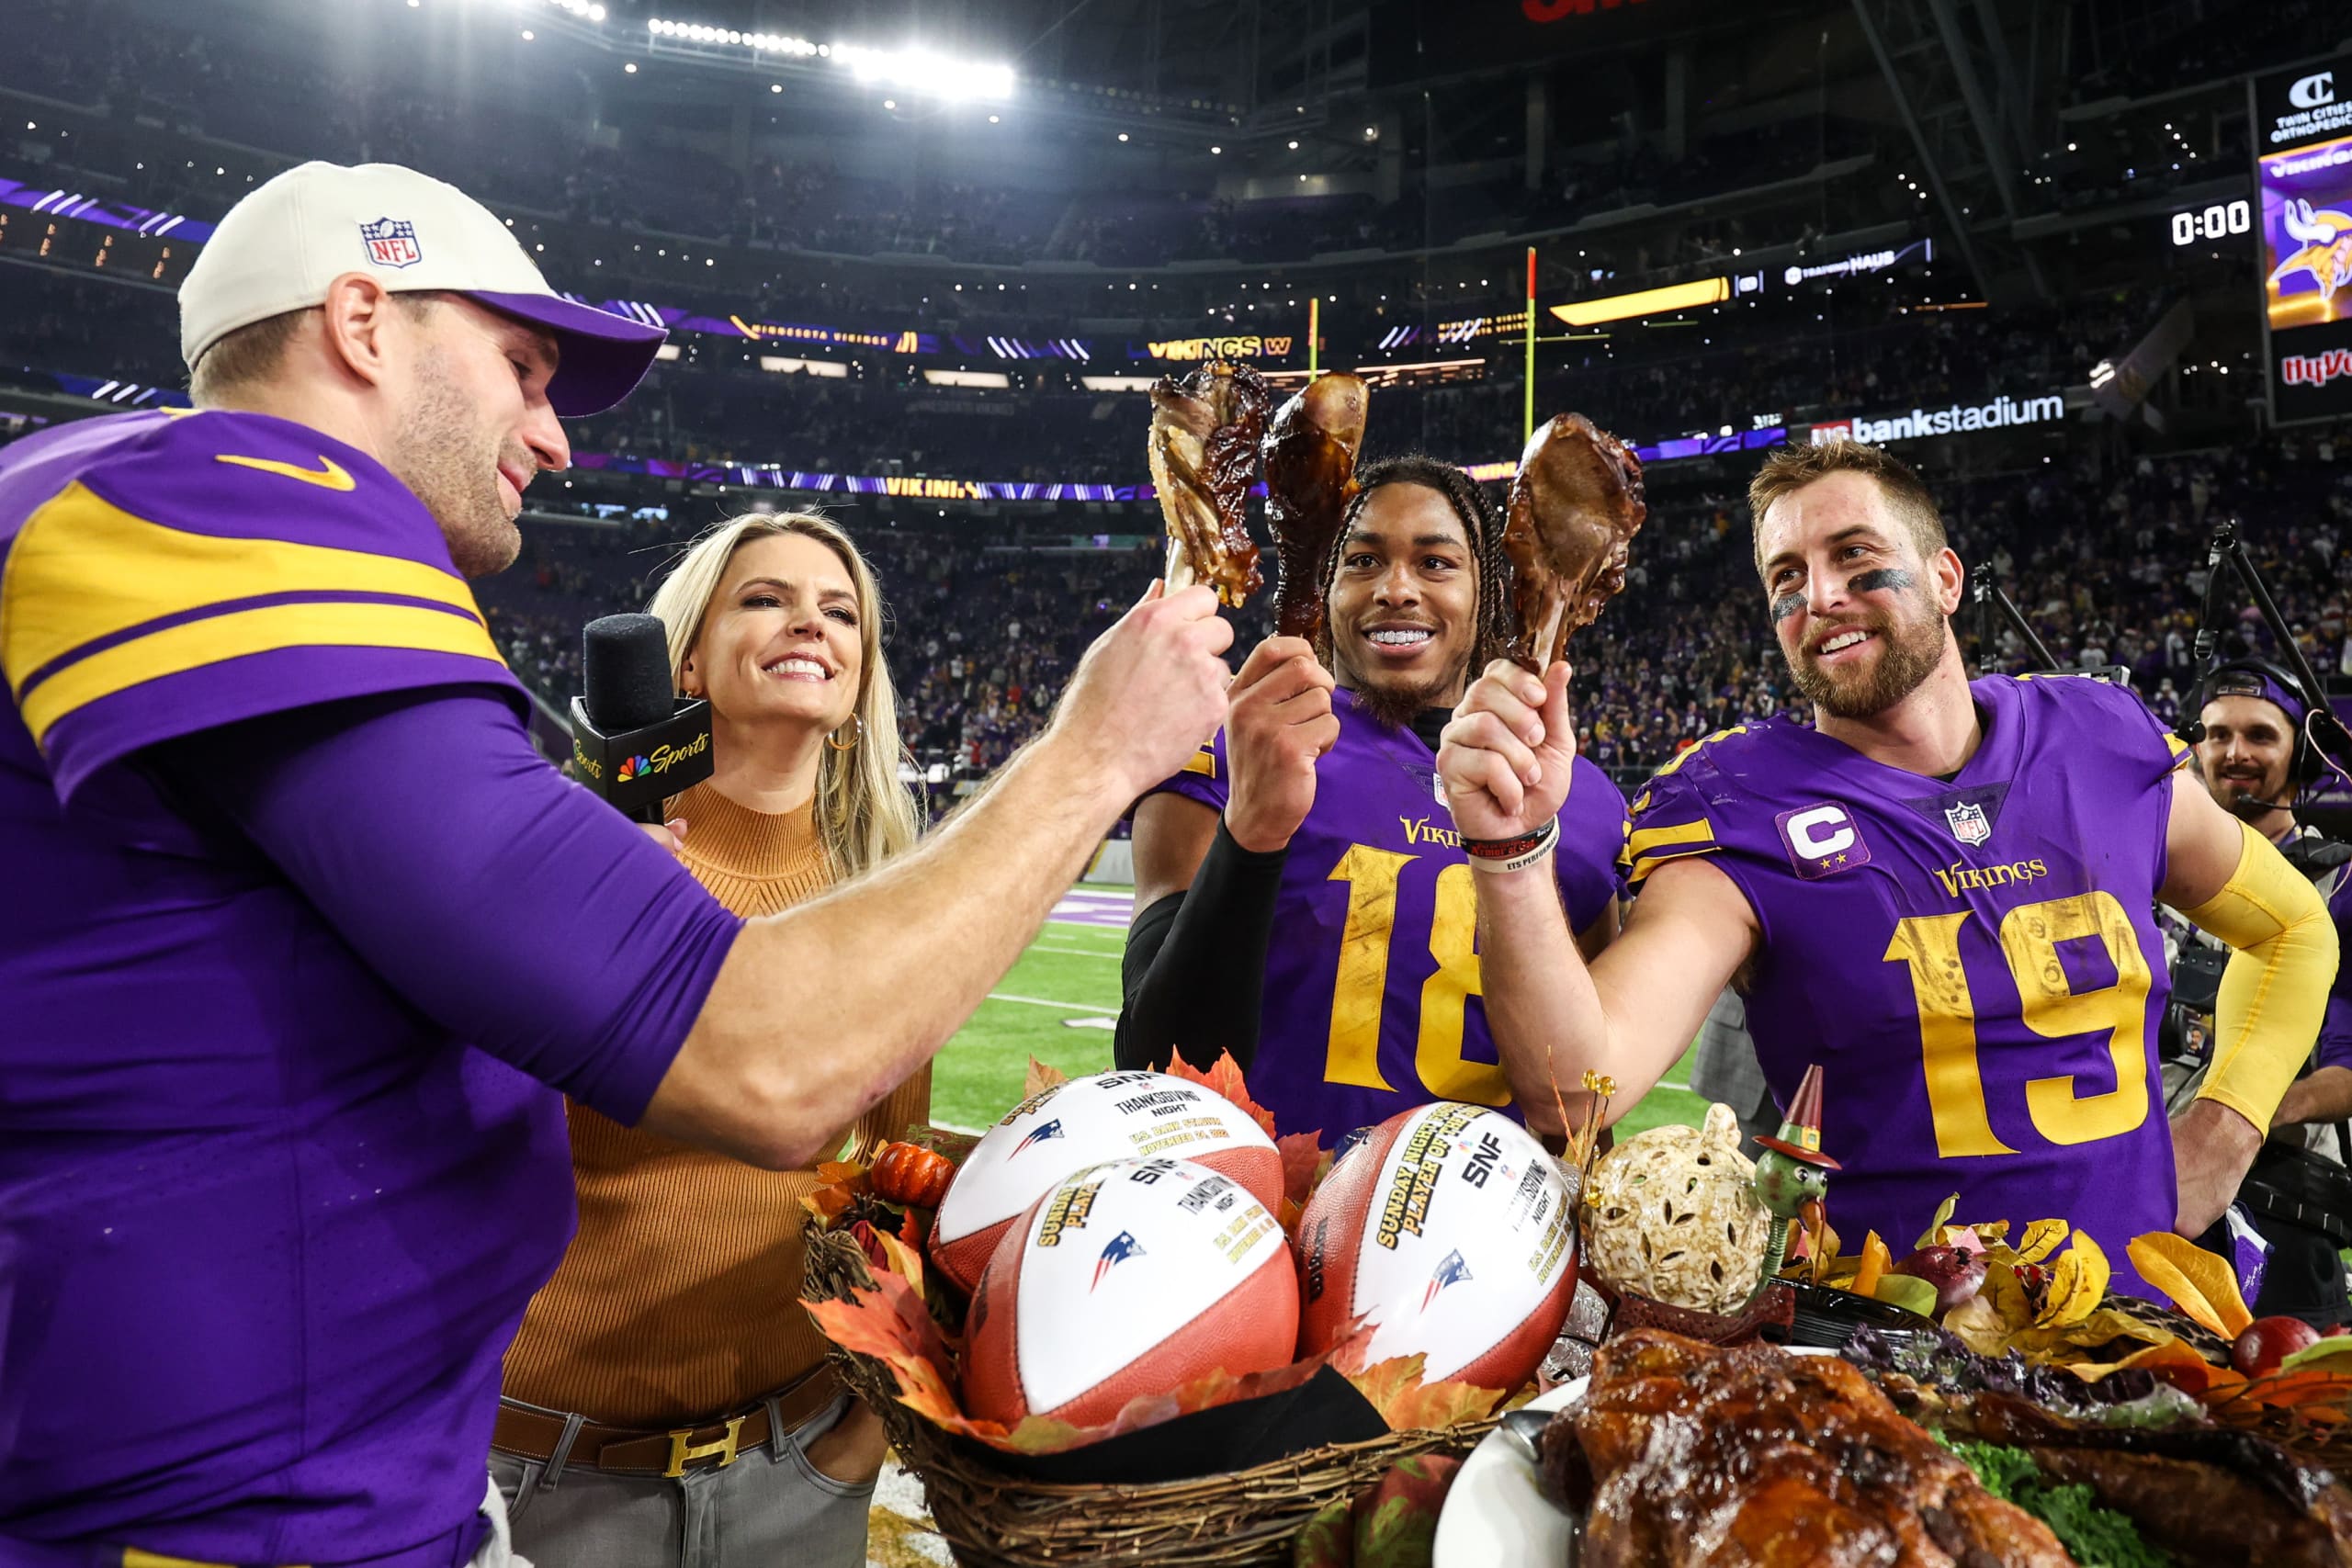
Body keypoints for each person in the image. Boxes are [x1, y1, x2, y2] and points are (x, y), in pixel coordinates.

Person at [0, 163, 1230, 1564]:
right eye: (520, 368)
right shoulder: (228, 499)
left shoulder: (131, 505)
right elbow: (766, 1064)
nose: (554, 434)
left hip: (326, 1473)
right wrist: (1095, 751)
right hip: (224, 1512)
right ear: (360, 321)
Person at [1436, 439, 2332, 1295]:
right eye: (1786, 577)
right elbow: (1578, 1087)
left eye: (1852, 554)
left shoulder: (2095, 740)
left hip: (2140, 1334)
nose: (1819, 595)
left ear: (1946, 579)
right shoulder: (1739, 804)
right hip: (1890, 1358)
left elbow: (2292, 928)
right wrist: (1510, 851)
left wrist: (2230, 1121)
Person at [492, 514, 923, 1562]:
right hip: (557, 1477)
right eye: (765, 598)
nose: (807, 624)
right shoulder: (573, 845)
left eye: (839, 611)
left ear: (860, 672)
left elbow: (891, 1187)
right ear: (688, 653)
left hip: (799, 1469)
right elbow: (465, 1131)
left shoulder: (885, 896)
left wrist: (867, 1430)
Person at [1116, 456, 1627, 1145]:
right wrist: (1251, 831)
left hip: (1483, 1233)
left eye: (1436, 563)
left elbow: (1581, 1110)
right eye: (1361, 560)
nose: (1395, 589)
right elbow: (1153, 1064)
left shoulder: (1584, 803)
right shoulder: (1232, 739)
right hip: (1264, 1221)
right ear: (1324, 588)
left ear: (1487, 594)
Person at [2167, 659, 2352, 1326]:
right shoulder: (2145, 876)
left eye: (2259, 735)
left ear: (2299, 754)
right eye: (2216, 735)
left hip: (2280, 1211)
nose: (2235, 753)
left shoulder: (2341, 885)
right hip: (2144, 1194)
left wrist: (2242, 1118)